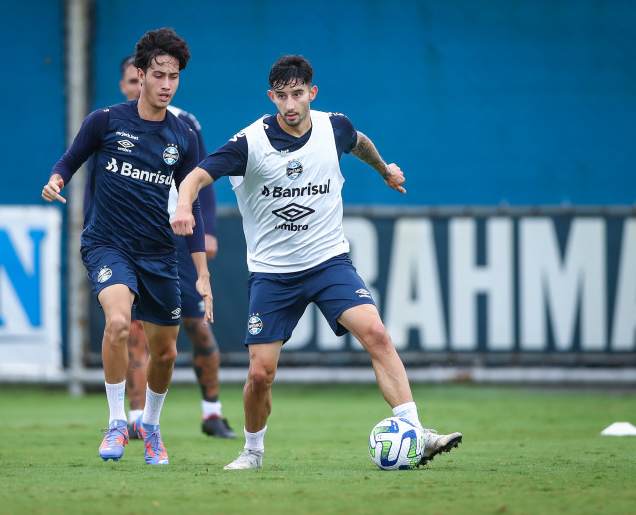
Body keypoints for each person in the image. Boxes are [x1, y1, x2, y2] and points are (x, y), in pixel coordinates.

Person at [172, 55, 462, 470]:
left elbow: (358, 141)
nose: (290, 105)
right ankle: (252, 451)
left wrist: (384, 171)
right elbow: (196, 176)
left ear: (312, 93)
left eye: (298, 94)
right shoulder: (248, 143)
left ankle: (416, 432)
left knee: (377, 333)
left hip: (329, 263)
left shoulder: (334, 126)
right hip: (273, 275)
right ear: (271, 96)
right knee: (260, 375)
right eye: (282, 96)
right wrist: (184, 205)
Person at [42, 27, 212, 466]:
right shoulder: (106, 120)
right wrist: (56, 179)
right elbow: (71, 159)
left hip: (158, 253)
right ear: (140, 75)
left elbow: (189, 207)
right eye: (158, 75)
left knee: (166, 351)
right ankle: (118, 422)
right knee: (118, 322)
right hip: (108, 244)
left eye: (174, 77)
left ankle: (151, 428)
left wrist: (202, 274)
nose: (166, 84)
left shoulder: (183, 138)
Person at [112, 55, 235, 439]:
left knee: (197, 326)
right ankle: (134, 418)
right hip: (131, 237)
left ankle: (212, 413)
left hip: (178, 238)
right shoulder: (113, 123)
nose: (144, 85)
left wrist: (208, 230)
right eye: (135, 80)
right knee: (133, 329)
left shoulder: (185, 126)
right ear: (129, 84)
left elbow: (202, 180)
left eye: (168, 77)